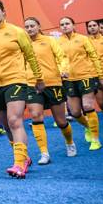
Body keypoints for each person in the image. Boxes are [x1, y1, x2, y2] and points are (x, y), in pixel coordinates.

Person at [0, 0, 43, 179]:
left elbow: (30, 56)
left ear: (4, 12)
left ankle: (19, 164)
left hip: (15, 80)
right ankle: (24, 157)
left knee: (15, 121)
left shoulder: (17, 32)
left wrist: (39, 78)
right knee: (6, 124)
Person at [23, 17, 76, 163]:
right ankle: (44, 153)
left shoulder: (50, 41)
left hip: (53, 83)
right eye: (26, 27)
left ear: (39, 26)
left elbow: (62, 57)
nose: (29, 29)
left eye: (32, 25)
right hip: (32, 84)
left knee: (61, 121)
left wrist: (64, 70)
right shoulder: (23, 44)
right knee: (35, 116)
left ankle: (70, 142)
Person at [58, 16, 103, 150]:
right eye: (62, 24)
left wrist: (100, 75)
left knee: (88, 106)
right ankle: (88, 127)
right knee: (75, 112)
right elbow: (58, 60)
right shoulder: (58, 42)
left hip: (86, 76)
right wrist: (61, 71)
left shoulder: (83, 39)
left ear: (73, 25)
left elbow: (94, 57)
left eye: (67, 23)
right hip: (68, 80)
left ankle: (96, 140)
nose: (65, 26)